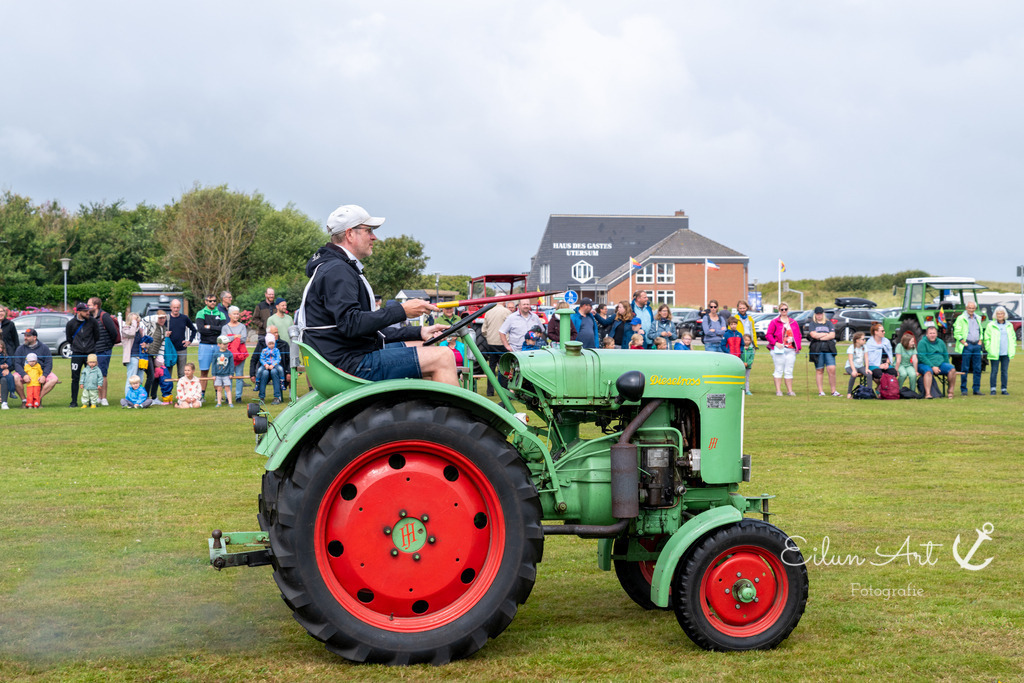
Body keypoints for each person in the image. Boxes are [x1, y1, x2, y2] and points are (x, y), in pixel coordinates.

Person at [299, 205, 453, 384]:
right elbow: (351, 324)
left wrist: (419, 331)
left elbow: (367, 329)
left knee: (424, 344)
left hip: (345, 358)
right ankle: (452, 413)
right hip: (348, 364)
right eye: (369, 230)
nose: (374, 237)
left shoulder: (337, 267)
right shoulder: (338, 270)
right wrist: (402, 311)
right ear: (350, 234)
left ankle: (423, 410)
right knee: (444, 357)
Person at [88, 297, 120, 406]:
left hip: (104, 349)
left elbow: (113, 332)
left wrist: (108, 345)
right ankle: (98, 397)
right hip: (94, 350)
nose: (87, 307)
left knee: (102, 374)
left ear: (96, 306)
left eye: (89, 305)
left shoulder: (104, 316)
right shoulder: (91, 317)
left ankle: (104, 398)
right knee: (95, 374)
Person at [13, 328, 58, 406]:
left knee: (54, 379)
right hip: (25, 372)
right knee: (14, 377)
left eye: (28, 336)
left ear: (34, 337)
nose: (25, 338)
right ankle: (24, 400)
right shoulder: (20, 348)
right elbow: (16, 364)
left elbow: (48, 363)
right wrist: (24, 375)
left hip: (40, 372)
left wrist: (44, 375)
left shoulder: (44, 348)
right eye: (25, 336)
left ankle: (37, 399)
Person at [66, 302, 99, 408]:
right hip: (77, 353)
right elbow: (69, 338)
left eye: (88, 310)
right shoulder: (71, 324)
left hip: (90, 353)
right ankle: (73, 401)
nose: (87, 312)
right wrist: (77, 346)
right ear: (78, 312)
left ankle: (91, 401)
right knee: (75, 377)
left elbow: (97, 336)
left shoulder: (93, 322)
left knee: (92, 377)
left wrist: (90, 347)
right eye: (85, 311)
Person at [194, 294, 228, 395]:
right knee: (204, 371)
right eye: (210, 301)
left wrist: (209, 327)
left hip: (218, 345)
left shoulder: (221, 314)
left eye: (214, 301)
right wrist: (214, 329)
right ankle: (202, 394)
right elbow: (201, 330)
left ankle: (218, 395)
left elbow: (223, 329)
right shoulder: (201, 313)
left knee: (218, 371)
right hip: (205, 345)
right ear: (206, 302)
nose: (212, 303)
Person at [766, 303, 802, 396]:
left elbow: (798, 335)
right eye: (782, 309)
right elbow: (768, 334)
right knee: (778, 369)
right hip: (779, 349)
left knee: (789, 370)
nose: (784, 311)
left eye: (785, 309)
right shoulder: (774, 322)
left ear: (788, 310)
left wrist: (798, 346)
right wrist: (775, 343)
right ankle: (778, 390)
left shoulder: (793, 322)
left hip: (791, 349)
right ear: (779, 310)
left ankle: (790, 391)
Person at [480, 301, 513, 396]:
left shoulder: (488, 312)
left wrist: (489, 337)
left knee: (491, 368)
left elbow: (483, 330)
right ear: (503, 302)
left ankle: (490, 392)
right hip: (503, 343)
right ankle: (504, 391)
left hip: (491, 343)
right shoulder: (507, 312)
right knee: (504, 367)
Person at [806, 306, 839, 397]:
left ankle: (833, 390)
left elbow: (832, 335)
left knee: (832, 369)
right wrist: (825, 334)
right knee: (819, 370)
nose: (819, 315)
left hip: (829, 348)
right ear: (815, 314)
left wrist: (820, 336)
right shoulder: (812, 324)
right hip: (817, 348)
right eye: (817, 314)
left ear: (823, 314)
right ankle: (821, 391)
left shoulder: (828, 323)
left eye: (820, 314)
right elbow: (813, 335)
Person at [918, 323, 957, 399]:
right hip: (925, 364)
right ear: (927, 334)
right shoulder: (922, 343)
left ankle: (950, 391)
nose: (932, 335)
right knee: (928, 371)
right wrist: (932, 367)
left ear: (936, 334)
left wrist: (947, 364)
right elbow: (922, 357)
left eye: (934, 333)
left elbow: (945, 355)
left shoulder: (941, 342)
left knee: (952, 369)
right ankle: (928, 394)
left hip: (940, 364)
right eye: (930, 333)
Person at [953, 300, 984, 396]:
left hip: (976, 346)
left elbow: (980, 331)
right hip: (968, 345)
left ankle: (976, 389)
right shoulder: (960, 318)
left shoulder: (978, 318)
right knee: (965, 368)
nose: (971, 309)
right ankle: (964, 389)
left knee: (978, 368)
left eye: (973, 308)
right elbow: (956, 332)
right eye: (969, 308)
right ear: (966, 308)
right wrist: (964, 342)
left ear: (975, 309)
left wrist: (980, 340)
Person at [984, 306, 1015, 395]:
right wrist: (989, 348)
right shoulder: (990, 325)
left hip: (1006, 353)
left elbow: (1013, 338)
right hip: (995, 353)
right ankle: (993, 389)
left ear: (1004, 315)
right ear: (995, 315)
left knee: (1004, 371)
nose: (1000, 315)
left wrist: (1012, 348)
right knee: (994, 371)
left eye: (1001, 313)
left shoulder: (1009, 325)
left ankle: (1004, 389)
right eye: (998, 313)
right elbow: (987, 338)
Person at [221, 306, 248, 403]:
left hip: (240, 354)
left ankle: (238, 396)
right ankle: (227, 396)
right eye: (234, 314)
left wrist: (230, 337)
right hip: (228, 355)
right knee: (228, 375)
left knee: (239, 375)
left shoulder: (242, 326)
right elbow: (224, 340)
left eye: (237, 313)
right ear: (229, 315)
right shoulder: (225, 327)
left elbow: (244, 339)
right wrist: (235, 337)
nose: (236, 315)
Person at [166, 299, 196, 379]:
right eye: (174, 307)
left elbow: (194, 329)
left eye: (177, 307)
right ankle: (168, 391)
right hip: (169, 350)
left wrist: (189, 341)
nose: (176, 309)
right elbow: (160, 332)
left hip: (181, 349)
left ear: (180, 307)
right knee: (168, 374)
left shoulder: (184, 318)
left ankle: (182, 391)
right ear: (171, 307)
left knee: (182, 374)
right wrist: (165, 335)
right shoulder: (166, 318)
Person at [257, 334, 285, 404]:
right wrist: (265, 364)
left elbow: (278, 358)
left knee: (274, 372)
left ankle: (277, 397)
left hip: (274, 367)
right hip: (265, 367)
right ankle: (261, 397)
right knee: (264, 373)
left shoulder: (276, 350)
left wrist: (273, 365)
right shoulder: (264, 350)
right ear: (267, 344)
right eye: (270, 344)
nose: (271, 345)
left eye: (273, 343)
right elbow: (261, 358)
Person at [146, 310, 168, 399]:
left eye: (164, 318)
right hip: (146, 354)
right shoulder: (152, 325)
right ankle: (145, 397)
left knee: (157, 375)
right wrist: (155, 317)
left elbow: (162, 344)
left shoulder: (164, 328)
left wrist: (160, 357)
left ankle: (154, 397)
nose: (162, 320)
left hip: (155, 355)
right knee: (151, 376)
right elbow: (144, 320)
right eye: (160, 318)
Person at [212, 335, 235, 407]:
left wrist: (231, 373)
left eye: (227, 344)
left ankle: (230, 402)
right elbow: (213, 365)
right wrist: (213, 374)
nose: (226, 345)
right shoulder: (216, 354)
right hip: (218, 375)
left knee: (227, 388)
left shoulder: (229, 353)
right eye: (224, 344)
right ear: (219, 344)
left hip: (226, 375)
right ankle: (219, 403)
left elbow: (231, 364)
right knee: (219, 389)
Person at [845, 332, 870, 398]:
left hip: (860, 366)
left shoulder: (864, 347)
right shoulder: (852, 347)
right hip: (850, 366)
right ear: (857, 340)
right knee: (854, 374)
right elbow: (850, 360)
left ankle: (869, 392)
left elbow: (866, 358)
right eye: (863, 339)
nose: (865, 340)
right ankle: (849, 393)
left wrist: (867, 368)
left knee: (869, 374)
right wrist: (853, 370)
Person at [0, 338, 15, 409]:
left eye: (1, 347)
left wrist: (7, 366)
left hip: (3, 373)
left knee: (8, 378)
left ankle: (4, 402)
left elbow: (10, 363)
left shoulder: (5, 356)